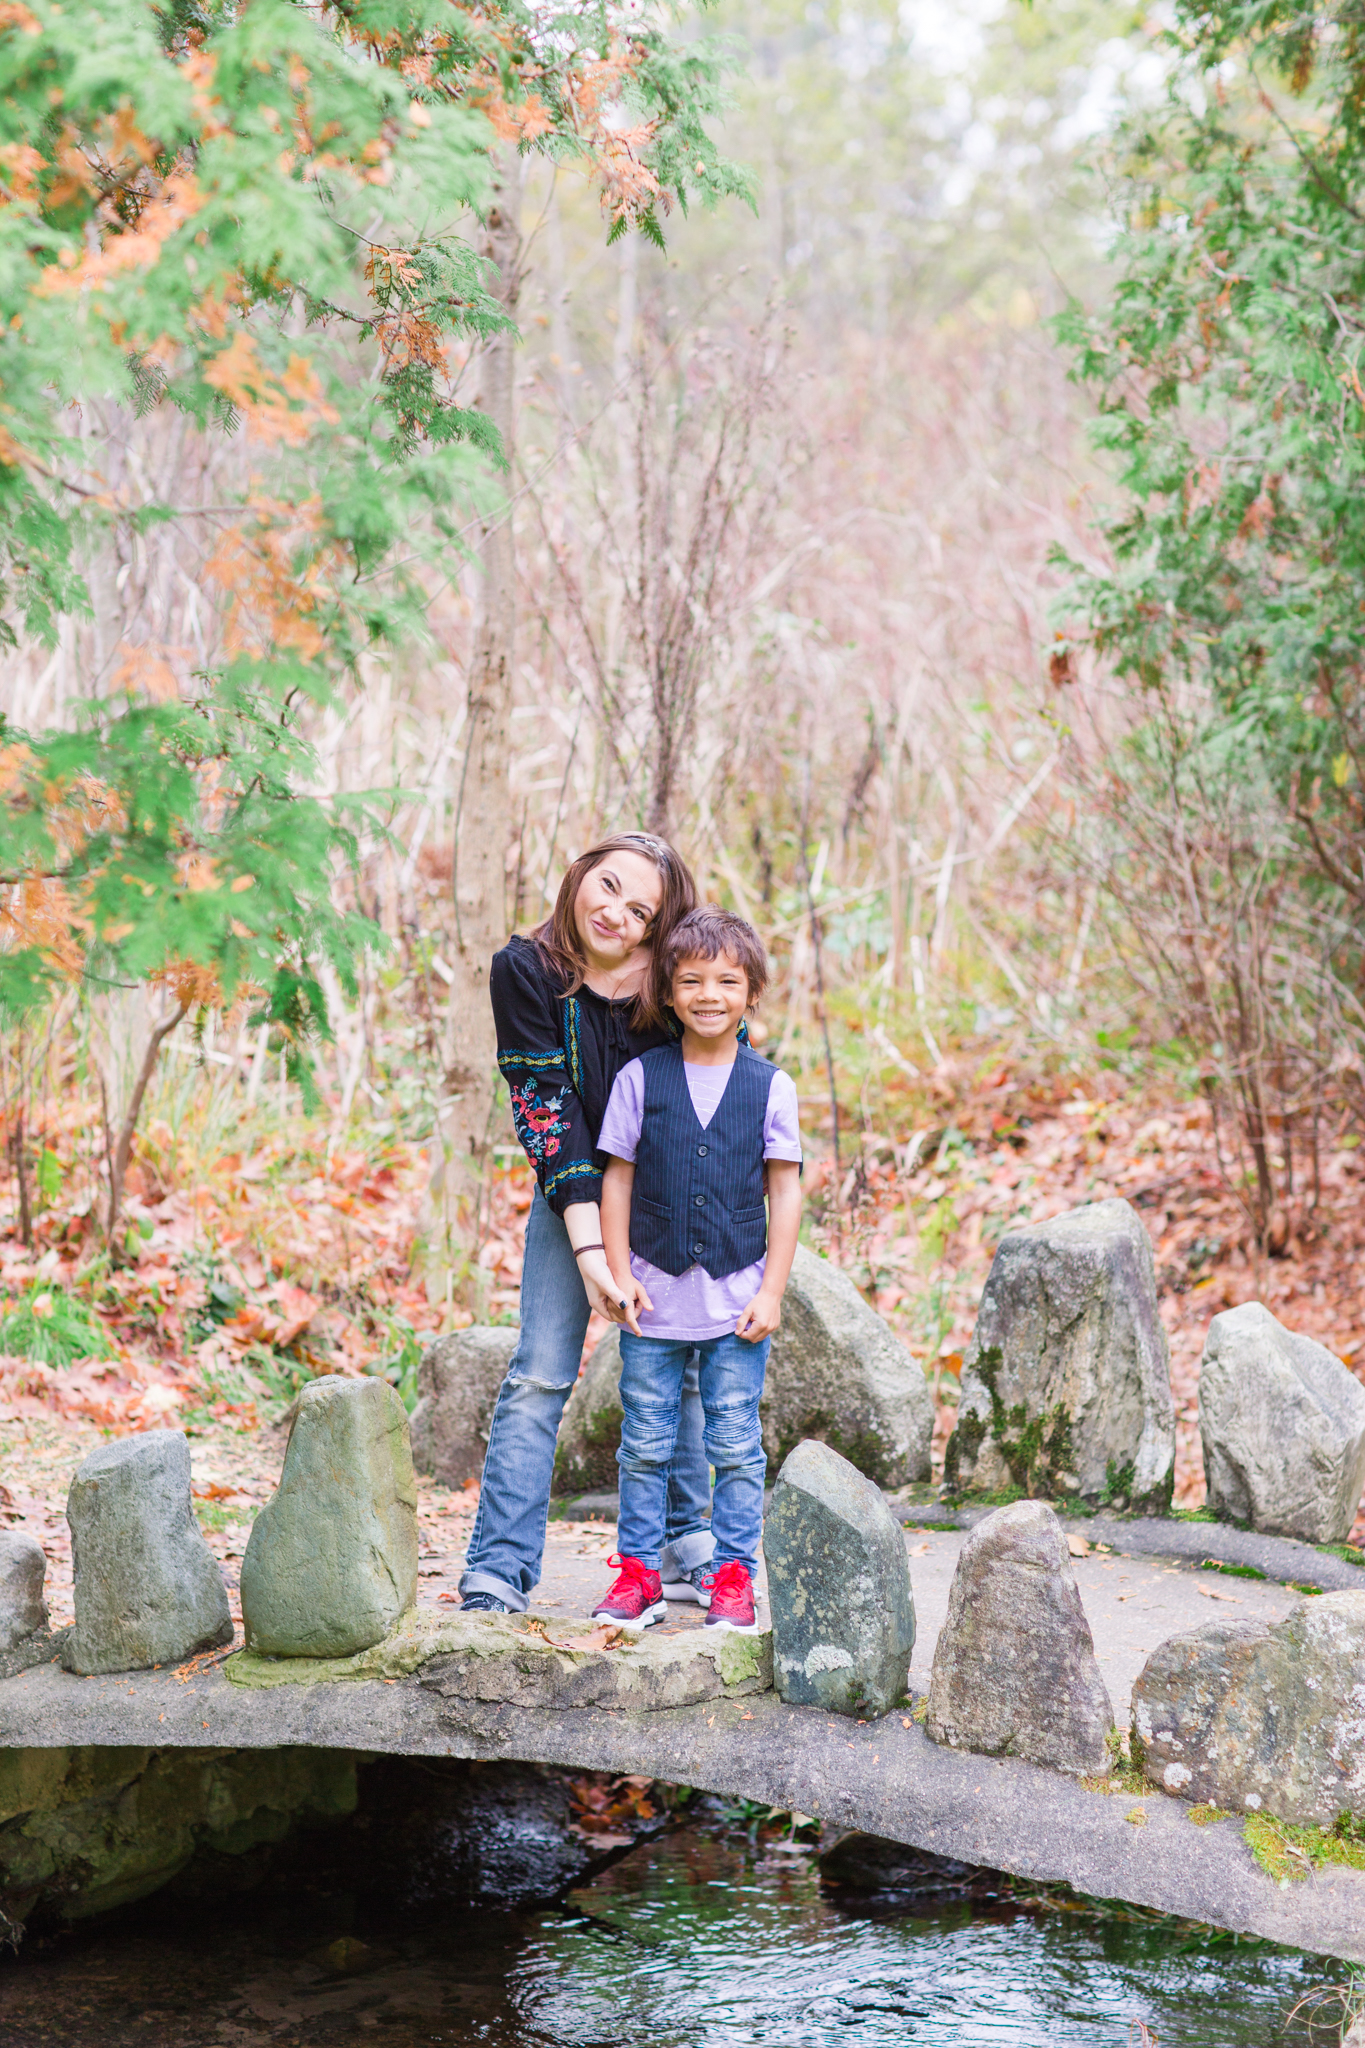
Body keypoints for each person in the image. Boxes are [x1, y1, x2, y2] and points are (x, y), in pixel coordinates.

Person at [459, 834, 718, 1614]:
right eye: (607, 887)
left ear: (658, 927)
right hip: (571, 1193)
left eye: (640, 911)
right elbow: (547, 1113)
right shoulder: (525, 971)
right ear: (579, 875)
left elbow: (720, 1070)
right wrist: (589, 1249)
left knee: (681, 1370)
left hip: (669, 1199)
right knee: (540, 1373)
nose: (614, 914)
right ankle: (499, 1567)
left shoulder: (677, 977)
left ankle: (686, 1543)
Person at [590, 906, 803, 1635]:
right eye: (691, 980)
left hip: (738, 1304)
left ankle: (734, 1577)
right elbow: (616, 1179)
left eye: (727, 981)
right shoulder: (640, 1079)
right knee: (644, 1444)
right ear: (668, 992)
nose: (709, 994)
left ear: (751, 993)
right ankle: (640, 1575)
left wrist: (772, 1291)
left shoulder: (770, 1086)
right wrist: (618, 1273)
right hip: (651, 1302)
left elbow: (785, 1190)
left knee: (735, 1446)